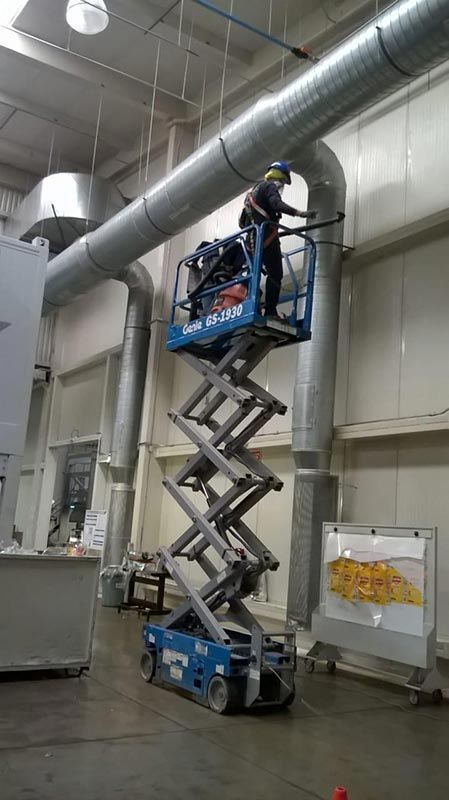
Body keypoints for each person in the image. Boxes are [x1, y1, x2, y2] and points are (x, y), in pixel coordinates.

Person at [239, 160, 316, 319]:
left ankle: (250, 306)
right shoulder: (270, 186)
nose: (282, 187)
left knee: (253, 274)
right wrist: (299, 213)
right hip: (267, 240)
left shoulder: (253, 192)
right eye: (283, 183)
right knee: (275, 273)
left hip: (251, 241)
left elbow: (243, 222)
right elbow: (276, 203)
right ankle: (270, 311)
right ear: (281, 177)